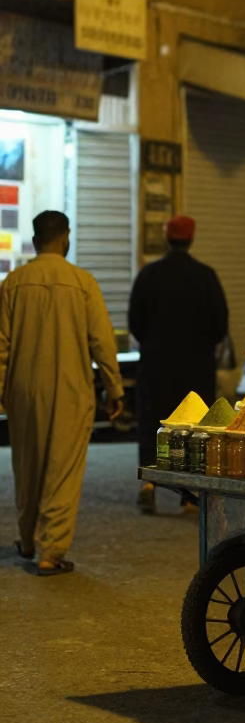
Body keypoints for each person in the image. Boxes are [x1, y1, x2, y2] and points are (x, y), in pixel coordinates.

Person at [0, 210, 124, 575]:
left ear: (35, 240)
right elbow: (101, 341)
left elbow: (1, 345)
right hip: (71, 389)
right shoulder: (82, 282)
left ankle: (26, 538)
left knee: (27, 465)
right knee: (63, 469)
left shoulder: (13, 283)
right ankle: (50, 550)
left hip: (24, 389)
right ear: (65, 237)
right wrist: (113, 388)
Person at [129, 215, 228, 513]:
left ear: (166, 238)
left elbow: (135, 321)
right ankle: (189, 497)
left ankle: (149, 483)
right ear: (191, 238)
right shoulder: (206, 276)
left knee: (152, 421)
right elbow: (220, 324)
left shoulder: (149, 275)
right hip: (196, 368)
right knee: (193, 426)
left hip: (156, 365)